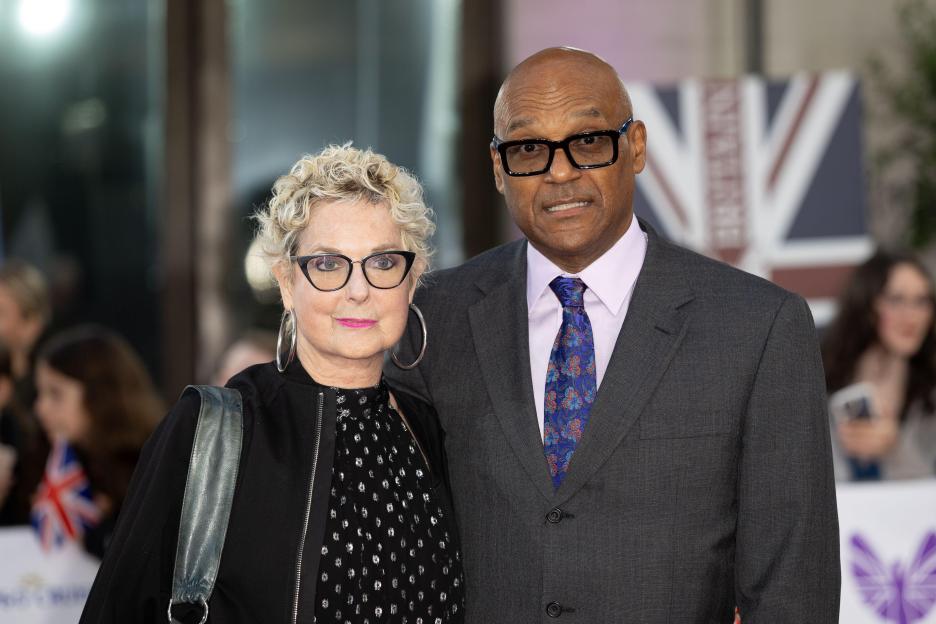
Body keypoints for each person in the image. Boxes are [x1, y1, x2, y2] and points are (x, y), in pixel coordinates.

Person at [386, 47, 840, 622]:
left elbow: (793, 585)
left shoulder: (757, 326)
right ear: (498, 168)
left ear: (637, 147)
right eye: (529, 149)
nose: (559, 172)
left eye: (588, 141)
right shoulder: (431, 317)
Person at [81, 145, 465, 623]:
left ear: (412, 279)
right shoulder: (213, 429)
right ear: (286, 282)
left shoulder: (424, 427)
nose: (359, 290)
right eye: (328, 264)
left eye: (383, 262)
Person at [33, 326, 163, 556]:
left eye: (55, 394)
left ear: (100, 394)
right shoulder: (46, 457)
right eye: (40, 393)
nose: (40, 408)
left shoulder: (151, 464)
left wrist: (99, 534)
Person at [822, 250, 936, 480]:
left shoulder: (929, 392)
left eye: (922, 301)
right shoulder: (820, 378)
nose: (912, 316)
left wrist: (895, 448)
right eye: (896, 299)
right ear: (867, 304)